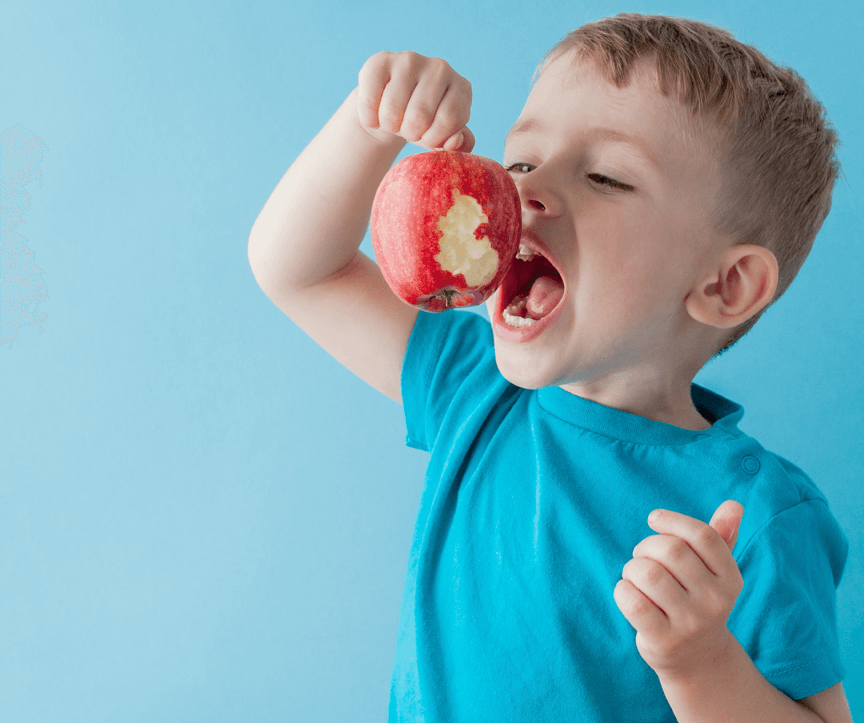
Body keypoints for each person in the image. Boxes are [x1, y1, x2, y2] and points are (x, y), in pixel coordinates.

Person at [247, 13, 852, 723]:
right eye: (523, 160)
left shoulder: (758, 512)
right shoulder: (478, 393)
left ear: (724, 285)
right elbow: (296, 269)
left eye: (604, 176)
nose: (524, 191)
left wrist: (701, 662)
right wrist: (371, 123)